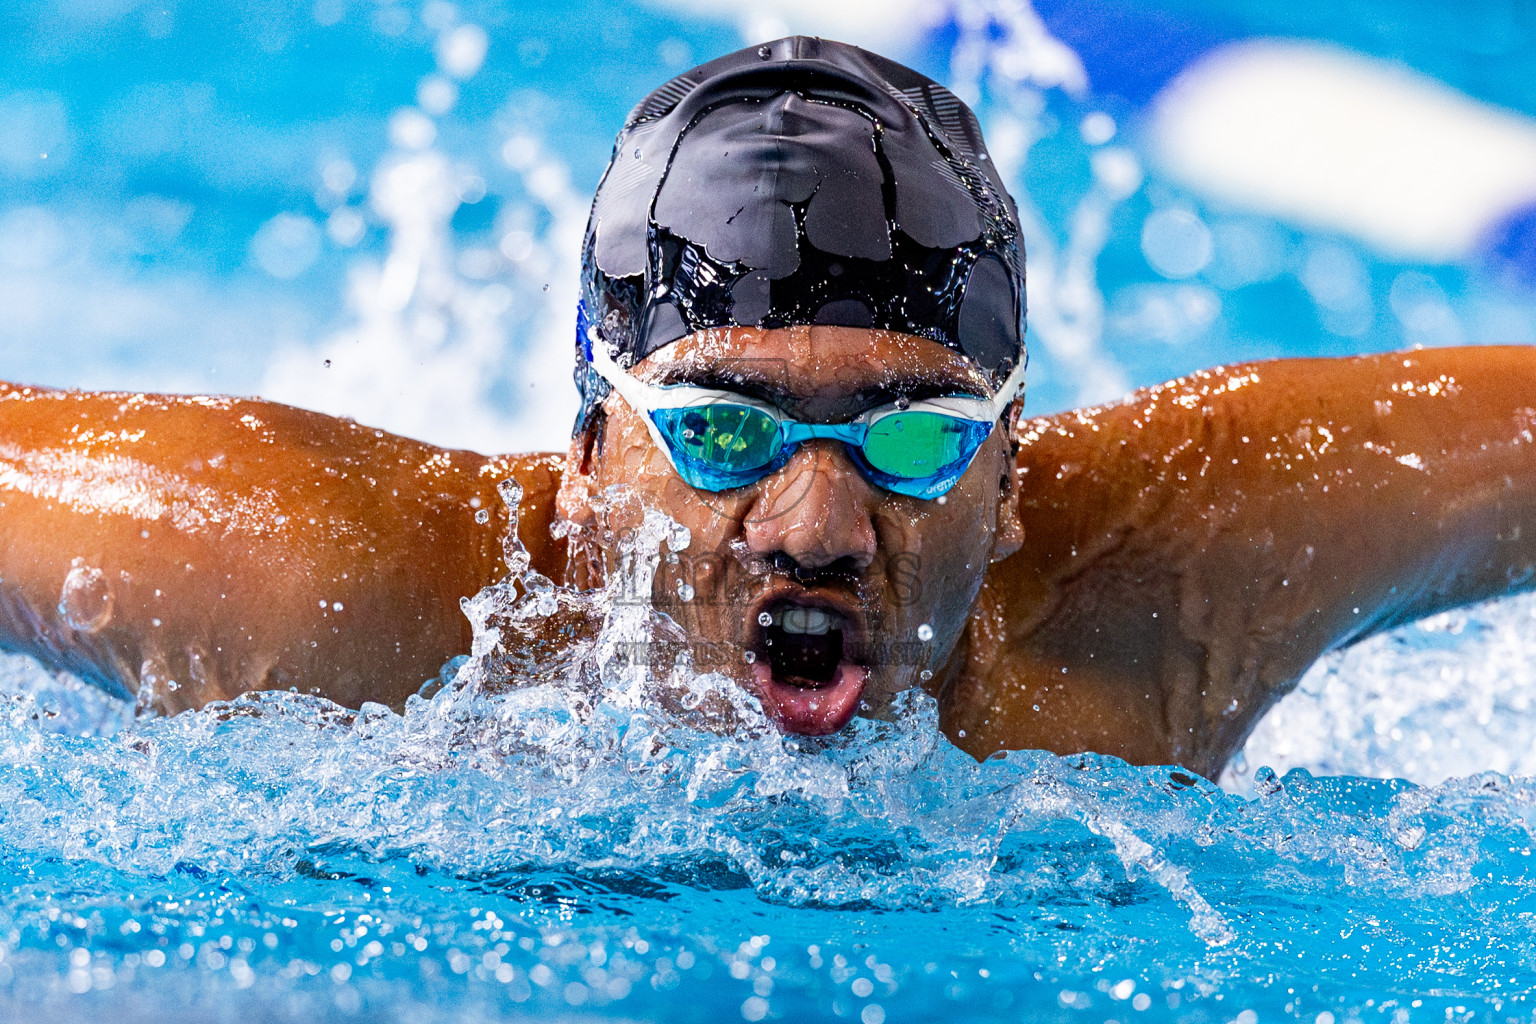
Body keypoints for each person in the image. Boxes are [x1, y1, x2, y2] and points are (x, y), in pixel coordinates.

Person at [2, 37, 1535, 780]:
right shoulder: (325, 589)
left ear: (1012, 464)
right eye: (722, 431)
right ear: (592, 455)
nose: (819, 529)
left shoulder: (1175, 580)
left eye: (919, 437)